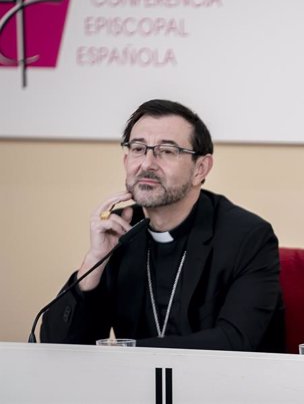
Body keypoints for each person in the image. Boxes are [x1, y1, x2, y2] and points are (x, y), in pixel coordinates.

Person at [41, 99, 284, 351]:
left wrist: (125, 351)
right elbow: (56, 345)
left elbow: (236, 342)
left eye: (166, 151)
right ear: (126, 161)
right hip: (136, 387)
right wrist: (93, 262)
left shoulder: (246, 236)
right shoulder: (121, 230)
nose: (146, 164)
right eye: (138, 149)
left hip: (222, 388)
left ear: (200, 169)